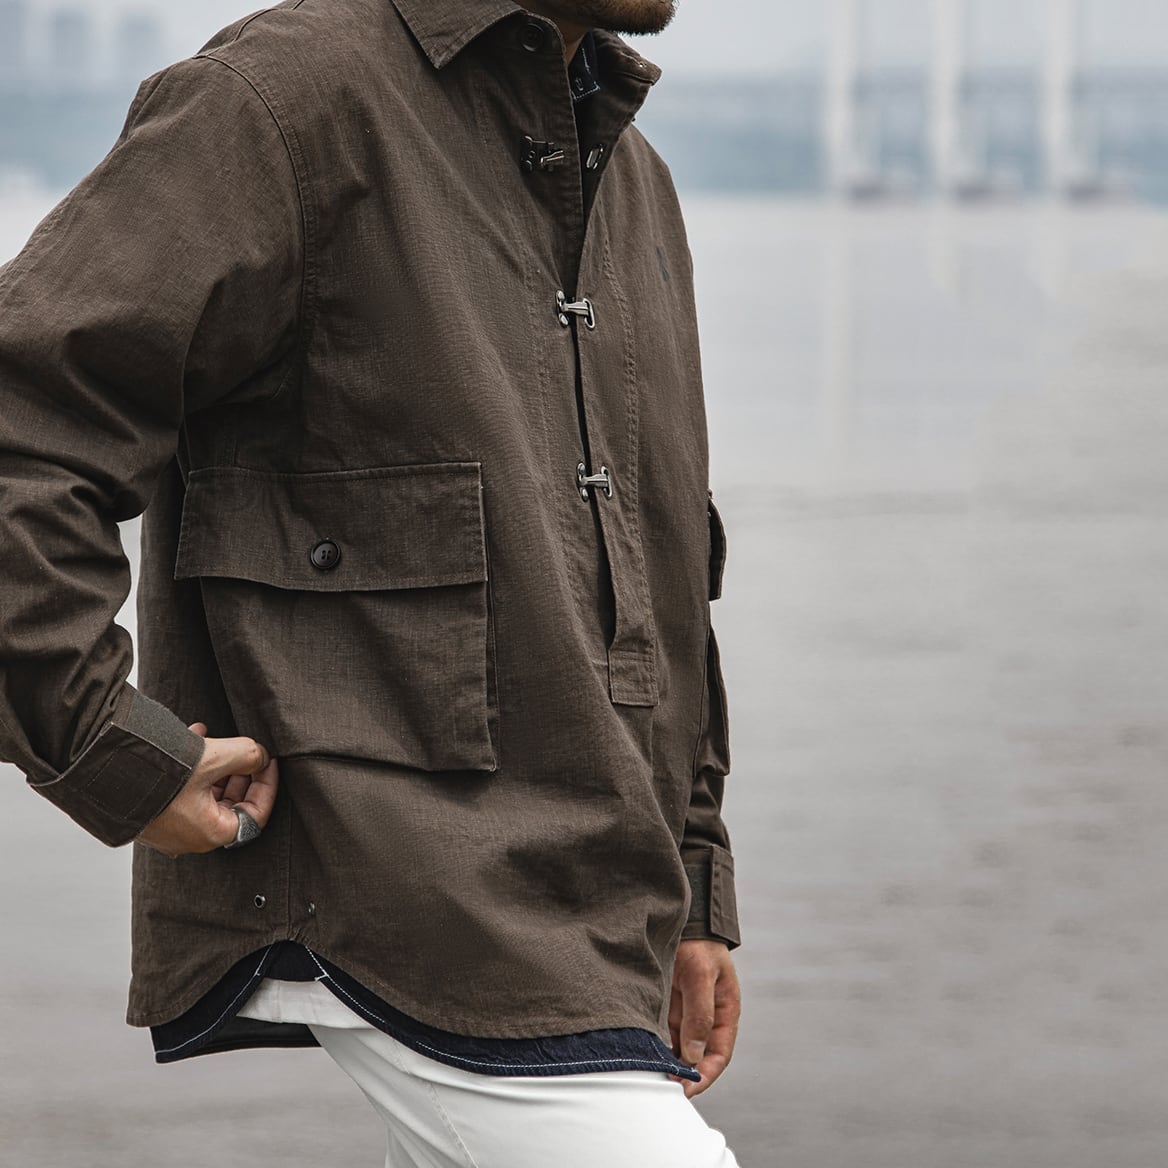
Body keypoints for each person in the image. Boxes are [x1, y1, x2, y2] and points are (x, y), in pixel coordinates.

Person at [0, 0, 742, 1163]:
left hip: (590, 927)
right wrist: (110, 748)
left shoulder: (630, 176)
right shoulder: (281, 105)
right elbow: (22, 428)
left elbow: (658, 573)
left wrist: (691, 885)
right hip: (398, 895)